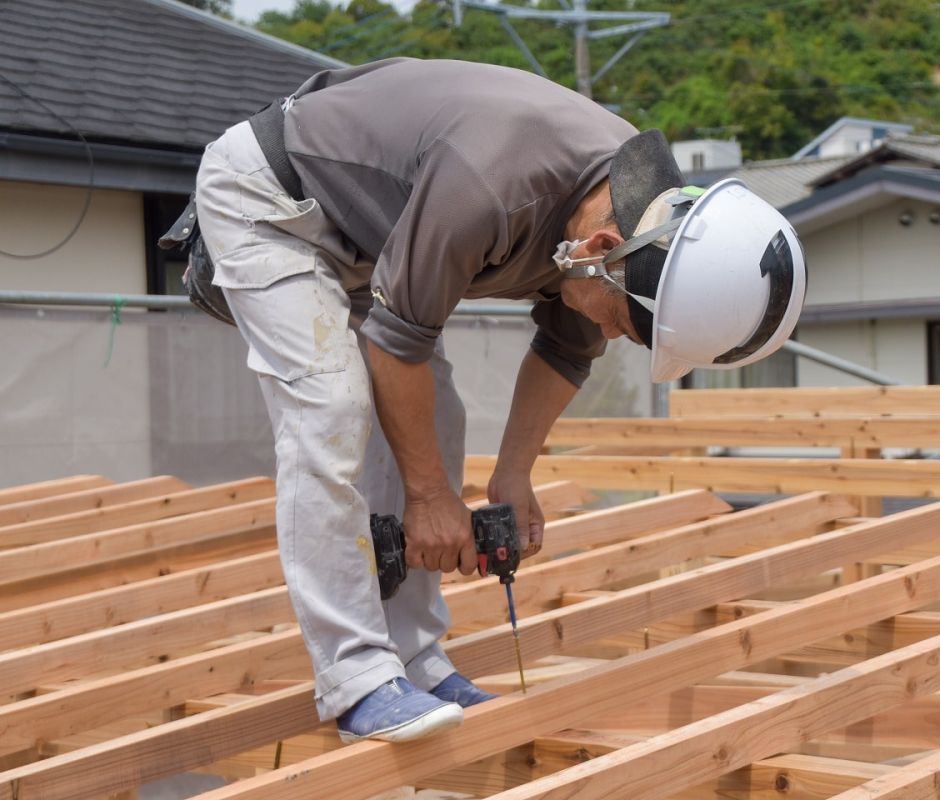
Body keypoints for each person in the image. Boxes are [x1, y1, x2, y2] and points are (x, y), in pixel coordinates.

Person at [191, 57, 806, 744]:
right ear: (603, 251)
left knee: (437, 414)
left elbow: (567, 349)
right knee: (332, 406)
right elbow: (398, 347)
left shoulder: (631, 218)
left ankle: (416, 661)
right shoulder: (492, 185)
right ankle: (355, 677)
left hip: (371, 235)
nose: (606, 333)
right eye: (617, 321)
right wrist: (427, 499)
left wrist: (512, 475)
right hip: (274, 203)